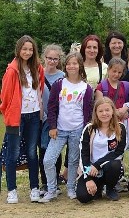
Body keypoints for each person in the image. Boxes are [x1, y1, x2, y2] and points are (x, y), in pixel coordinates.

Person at [39, 51, 93, 203]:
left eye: (75, 63)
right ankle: (51, 189)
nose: (71, 66)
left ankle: (71, 188)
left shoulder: (86, 88)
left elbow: (88, 111)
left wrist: (85, 129)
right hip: (60, 130)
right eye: (69, 63)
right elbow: (52, 106)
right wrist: (52, 126)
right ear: (65, 65)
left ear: (80, 66)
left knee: (73, 161)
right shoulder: (59, 84)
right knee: (48, 160)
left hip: (77, 130)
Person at [0, 35, 45, 204]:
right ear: (18, 50)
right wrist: (9, 113)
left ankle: (34, 188)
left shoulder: (37, 68)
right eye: (24, 49)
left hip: (33, 115)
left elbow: (39, 89)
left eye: (30, 49)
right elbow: (4, 96)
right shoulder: (12, 70)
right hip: (16, 117)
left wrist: (40, 110)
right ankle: (12, 190)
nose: (27, 52)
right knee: (13, 153)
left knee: (32, 152)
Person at [76, 98, 127, 203]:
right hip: (91, 169)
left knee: (115, 165)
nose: (104, 113)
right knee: (83, 197)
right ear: (96, 113)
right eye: (100, 111)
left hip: (109, 167)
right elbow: (83, 155)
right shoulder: (89, 129)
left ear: (113, 111)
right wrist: (88, 178)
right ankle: (98, 188)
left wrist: (98, 164)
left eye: (107, 110)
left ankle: (110, 188)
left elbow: (119, 152)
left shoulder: (120, 128)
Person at [38, 44, 65, 195]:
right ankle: (45, 183)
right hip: (40, 118)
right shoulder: (37, 73)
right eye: (50, 58)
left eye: (55, 59)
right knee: (42, 149)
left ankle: (55, 182)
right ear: (44, 58)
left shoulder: (62, 76)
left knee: (55, 150)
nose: (52, 61)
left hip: (55, 119)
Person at [95, 58, 129, 124]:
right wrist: (115, 112)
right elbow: (99, 106)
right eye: (114, 71)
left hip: (122, 122)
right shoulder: (101, 87)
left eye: (119, 72)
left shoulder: (126, 86)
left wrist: (125, 109)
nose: (116, 74)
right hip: (107, 122)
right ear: (108, 70)